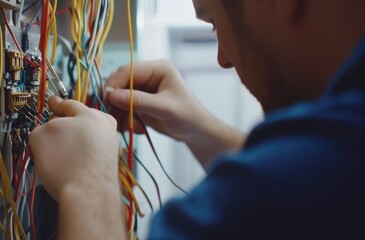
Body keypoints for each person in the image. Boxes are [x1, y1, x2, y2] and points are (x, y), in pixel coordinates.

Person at [29, 0, 365, 239]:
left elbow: (292, 187)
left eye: (215, 23)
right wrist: (200, 130)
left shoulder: (280, 193)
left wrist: (88, 187)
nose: (223, 59)